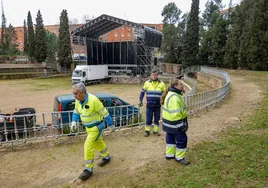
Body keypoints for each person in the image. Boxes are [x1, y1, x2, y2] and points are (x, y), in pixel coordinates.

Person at [71, 83, 115, 181]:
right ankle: (106, 156)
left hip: (97, 127)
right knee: (97, 142)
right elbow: (76, 111)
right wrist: (74, 121)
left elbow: (104, 112)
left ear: (82, 92)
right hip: (88, 128)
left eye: (76, 93)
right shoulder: (78, 100)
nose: (74, 96)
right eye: (73, 94)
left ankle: (88, 168)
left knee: (88, 145)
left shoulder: (94, 100)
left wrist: (110, 124)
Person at [160, 79, 190, 165]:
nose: (182, 86)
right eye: (181, 84)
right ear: (175, 86)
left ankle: (169, 155)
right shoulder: (174, 97)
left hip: (168, 124)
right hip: (175, 124)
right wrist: (181, 125)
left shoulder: (171, 94)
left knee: (170, 138)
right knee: (182, 139)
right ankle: (179, 157)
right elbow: (175, 114)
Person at [139, 70, 166, 137]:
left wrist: (164, 101)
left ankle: (155, 131)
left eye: (156, 75)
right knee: (148, 118)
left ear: (157, 75)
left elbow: (164, 94)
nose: (154, 76)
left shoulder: (161, 83)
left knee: (157, 118)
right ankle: (147, 131)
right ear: (151, 75)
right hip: (149, 105)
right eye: (153, 75)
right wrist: (140, 100)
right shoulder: (147, 83)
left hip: (158, 105)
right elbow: (142, 92)